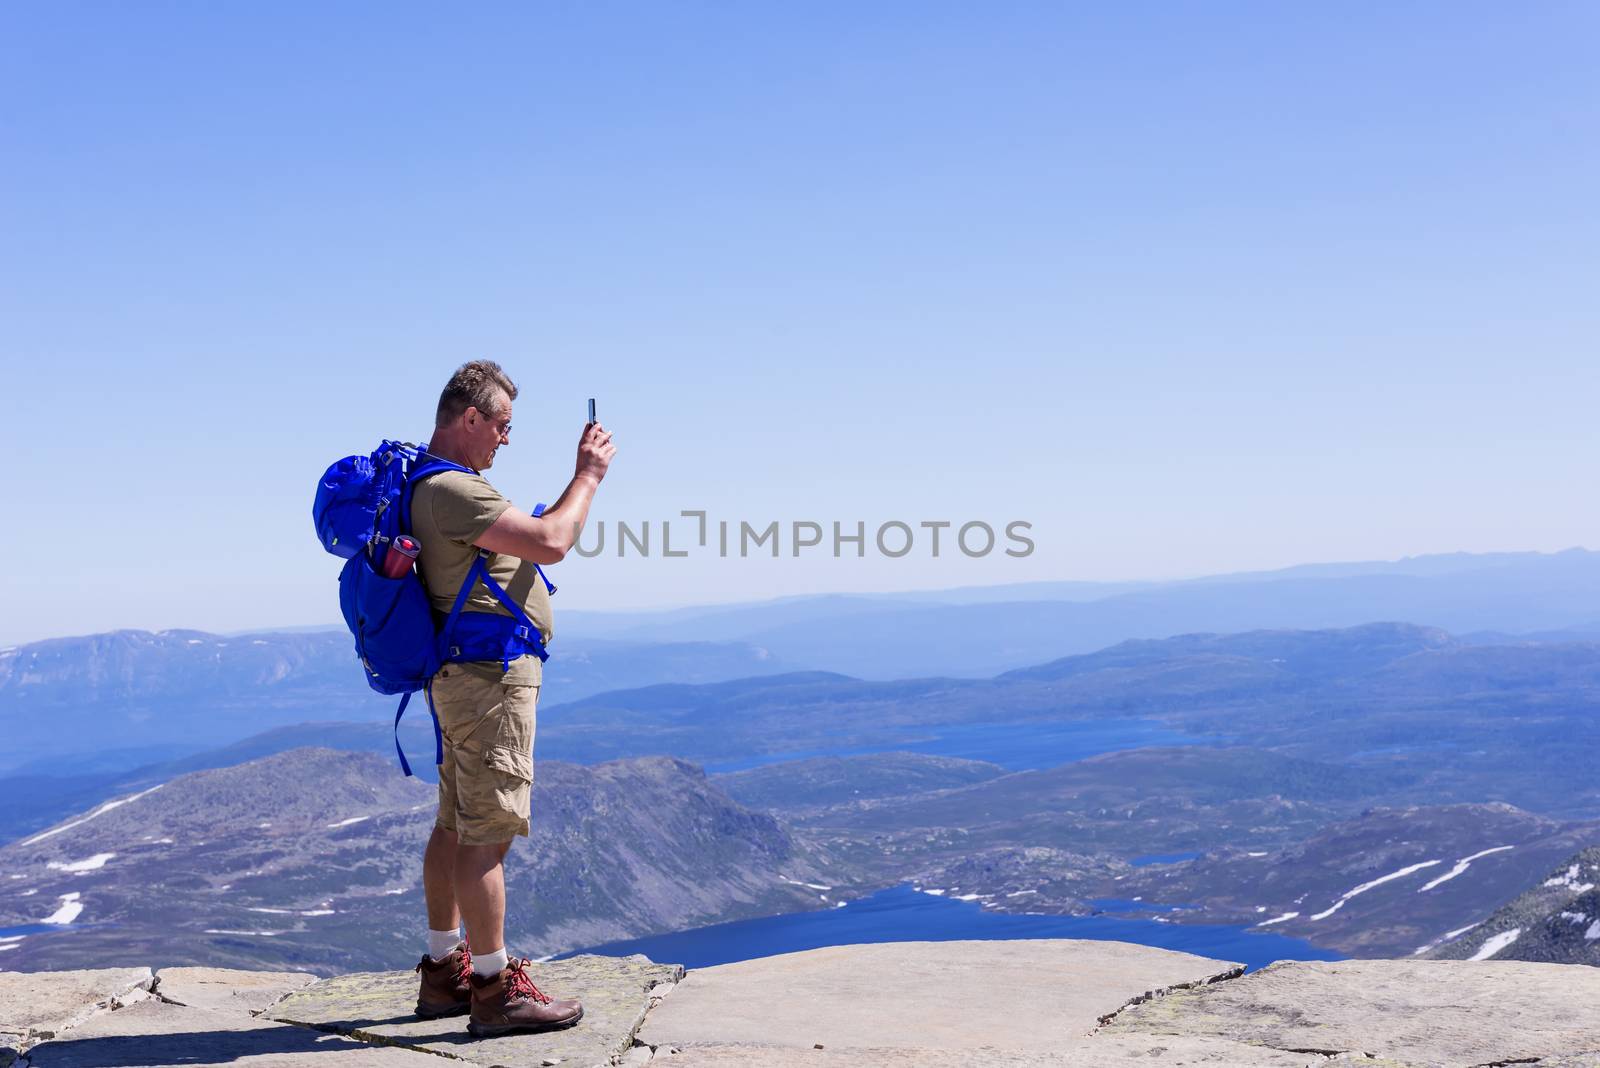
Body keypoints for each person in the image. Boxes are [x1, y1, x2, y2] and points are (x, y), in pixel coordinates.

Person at [408, 360, 615, 1036]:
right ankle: (496, 990)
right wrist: (588, 474)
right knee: (487, 834)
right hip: (490, 681)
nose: (504, 440)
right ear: (470, 419)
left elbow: (531, 533)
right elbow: (553, 540)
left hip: (461, 676)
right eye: (500, 426)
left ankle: (445, 973)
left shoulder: (429, 484)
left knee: (455, 823)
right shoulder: (452, 490)